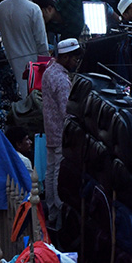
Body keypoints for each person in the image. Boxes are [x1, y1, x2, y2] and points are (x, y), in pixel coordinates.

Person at [42, 37, 82, 225]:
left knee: (51, 171)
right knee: (58, 173)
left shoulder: (50, 70)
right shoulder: (61, 79)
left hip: (51, 131)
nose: (76, 62)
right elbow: (67, 111)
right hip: (60, 134)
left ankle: (51, 210)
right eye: (74, 58)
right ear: (66, 58)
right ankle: (59, 211)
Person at [0, 0, 49, 96]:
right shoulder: (33, 9)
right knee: (29, 100)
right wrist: (44, 66)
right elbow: (41, 42)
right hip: (29, 64)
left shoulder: (1, 7)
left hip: (6, 62)